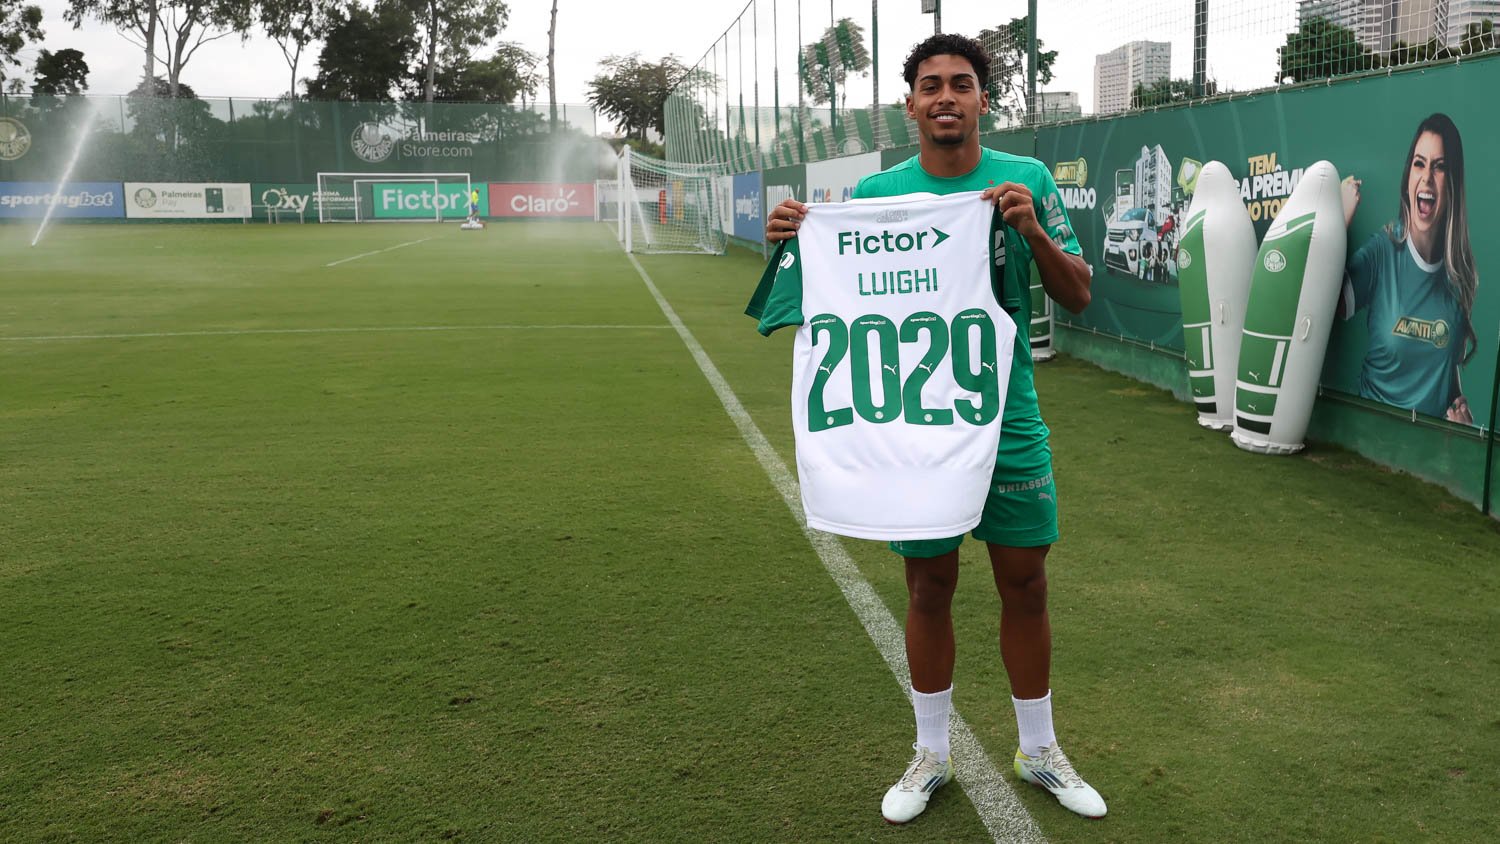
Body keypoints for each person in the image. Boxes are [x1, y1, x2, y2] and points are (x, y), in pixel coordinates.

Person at [764, 33, 1106, 824]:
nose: (945, 96)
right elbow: (838, 290)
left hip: (1006, 414)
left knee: (1025, 581)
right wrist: (792, 239)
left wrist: (1033, 232)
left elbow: (1080, 293)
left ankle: (1039, 750)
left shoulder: (1025, 179)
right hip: (912, 425)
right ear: (910, 105)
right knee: (929, 585)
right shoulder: (877, 192)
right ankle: (931, 753)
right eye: (930, 85)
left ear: (983, 100)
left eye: (960, 83)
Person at [1339, 112, 1478, 423]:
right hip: (1369, 440)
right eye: (1419, 163)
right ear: (1408, 177)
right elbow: (1321, 306)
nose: (1427, 177)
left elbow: (1445, 369)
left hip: (1427, 450)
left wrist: (1461, 417)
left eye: (1439, 167)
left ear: (1453, 184)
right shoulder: (1382, 252)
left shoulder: (1458, 278)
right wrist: (1338, 222)